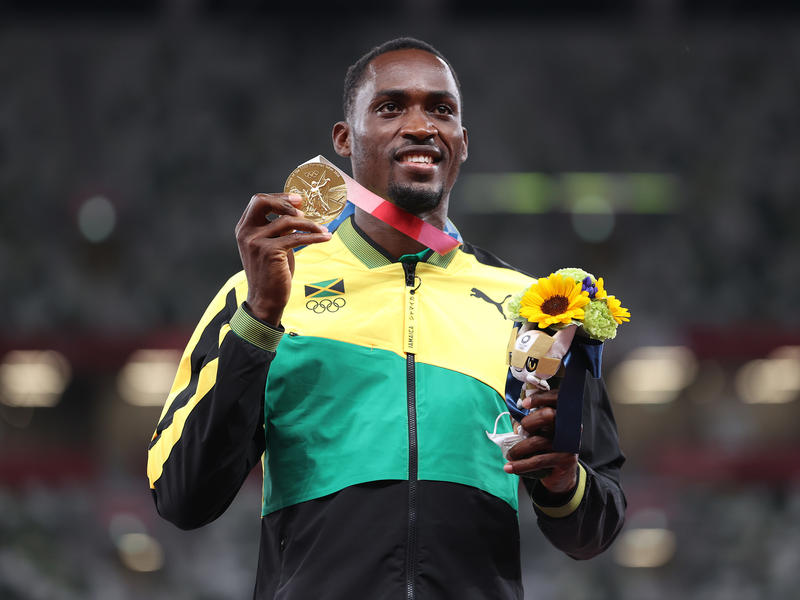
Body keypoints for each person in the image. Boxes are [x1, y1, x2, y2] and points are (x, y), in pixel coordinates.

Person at [147, 37, 626, 599]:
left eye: (441, 110)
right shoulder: (264, 290)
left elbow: (594, 530)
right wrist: (261, 319)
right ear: (344, 138)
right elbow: (183, 498)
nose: (420, 126)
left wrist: (563, 479)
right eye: (391, 107)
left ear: (462, 142)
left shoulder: (534, 308)